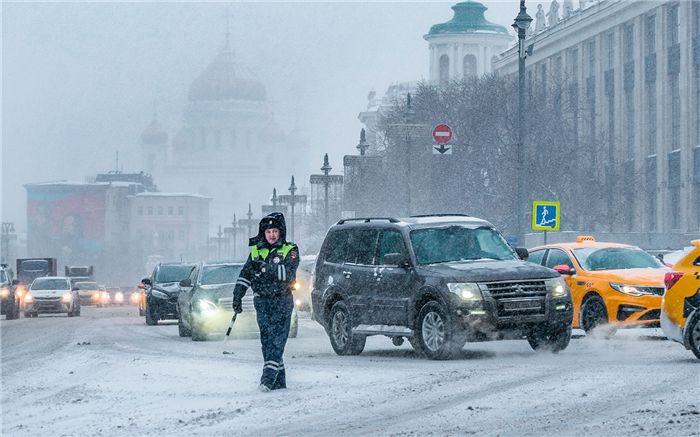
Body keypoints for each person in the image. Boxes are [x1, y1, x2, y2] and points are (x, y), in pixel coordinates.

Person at [232, 212, 300, 392]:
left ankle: (267, 379)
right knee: (267, 340)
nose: (271, 235)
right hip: (262, 301)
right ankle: (279, 381)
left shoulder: (290, 249)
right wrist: (237, 295)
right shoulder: (256, 251)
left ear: (281, 232)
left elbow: (288, 274)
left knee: (277, 340)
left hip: (282, 300)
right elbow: (246, 274)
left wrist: (264, 268)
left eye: (275, 231)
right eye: (268, 231)